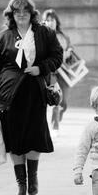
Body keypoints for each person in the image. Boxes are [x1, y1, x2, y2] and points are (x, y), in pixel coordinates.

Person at [0, 0, 63, 195]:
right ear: (11, 15)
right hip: (9, 95)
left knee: (34, 136)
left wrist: (41, 68)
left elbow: (57, 56)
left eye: (24, 12)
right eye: (16, 12)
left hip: (35, 93)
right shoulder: (1, 38)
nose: (21, 15)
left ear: (31, 13)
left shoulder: (45, 34)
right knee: (14, 139)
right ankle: (21, 184)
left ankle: (33, 177)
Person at [42, 9, 73, 137]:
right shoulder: (42, 36)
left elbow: (70, 53)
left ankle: (59, 114)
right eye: (47, 20)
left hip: (64, 73)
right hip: (52, 73)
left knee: (64, 102)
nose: (50, 23)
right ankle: (55, 127)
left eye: (52, 20)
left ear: (56, 21)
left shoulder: (64, 37)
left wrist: (69, 52)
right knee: (56, 99)